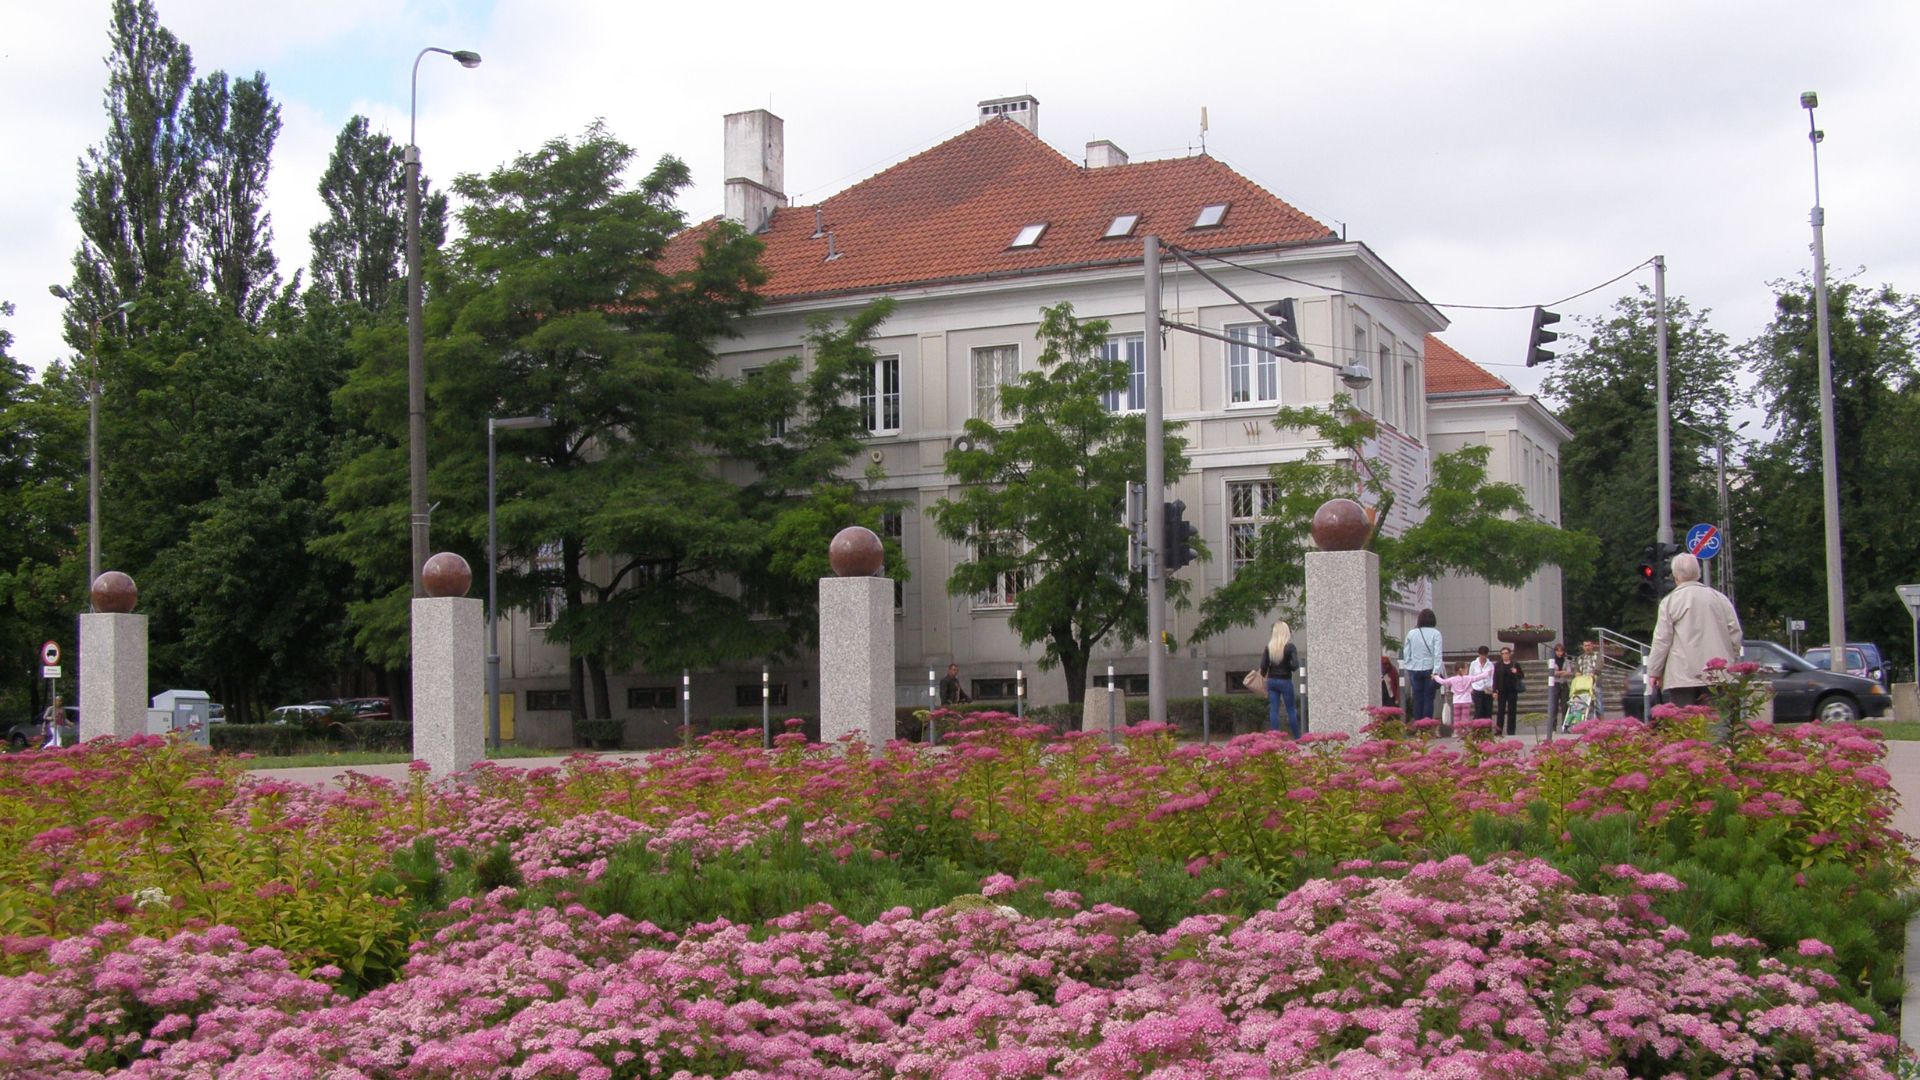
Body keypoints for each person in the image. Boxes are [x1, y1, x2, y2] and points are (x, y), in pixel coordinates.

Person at [1646, 551, 1743, 709]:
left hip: (1682, 675)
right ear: (1698, 573)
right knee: (1716, 722)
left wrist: (1654, 671)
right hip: (1717, 673)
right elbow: (1735, 634)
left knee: (1686, 724)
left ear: (1675, 575)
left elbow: (1662, 640)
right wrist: (1733, 659)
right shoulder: (1720, 599)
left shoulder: (1670, 601)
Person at [1400, 609, 1443, 722]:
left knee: (1417, 698)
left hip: (1414, 669)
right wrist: (1436, 671)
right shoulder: (1436, 633)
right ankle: (1426, 726)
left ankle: (1417, 723)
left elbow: (1406, 652)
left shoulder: (1411, 633)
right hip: (1430, 669)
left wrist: (1409, 666)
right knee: (1429, 698)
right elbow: (1437, 654)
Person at [1263, 621, 1300, 737]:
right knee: (1291, 710)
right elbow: (1295, 665)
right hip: (1285, 681)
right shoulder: (1290, 647)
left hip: (1272, 681)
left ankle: (1275, 738)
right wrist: (1287, 666)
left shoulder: (1269, 647)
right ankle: (1297, 737)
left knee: (1274, 710)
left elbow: (1263, 666)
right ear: (1286, 632)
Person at [1437, 662, 1476, 736]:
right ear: (1464, 669)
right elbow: (1479, 677)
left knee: (1456, 717)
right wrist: (1487, 673)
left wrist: (1435, 676)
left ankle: (1457, 731)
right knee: (1465, 717)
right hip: (1466, 700)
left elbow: (1443, 681)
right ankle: (1464, 731)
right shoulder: (1468, 678)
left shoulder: (1452, 679)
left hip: (1456, 701)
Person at [1492, 646, 1524, 736]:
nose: (1505, 655)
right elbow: (1495, 678)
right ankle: (1499, 730)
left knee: (1512, 711)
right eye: (1503, 654)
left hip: (1512, 690)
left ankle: (1511, 731)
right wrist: (1494, 691)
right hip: (1502, 690)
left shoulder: (1515, 664)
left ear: (1510, 654)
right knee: (1500, 711)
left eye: (1506, 653)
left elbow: (1522, 676)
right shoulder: (1497, 665)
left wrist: (1516, 672)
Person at [1546, 642, 1572, 731]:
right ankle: (1553, 728)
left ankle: (1565, 727)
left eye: (1561, 651)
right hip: (1555, 685)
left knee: (1565, 706)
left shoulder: (1566, 660)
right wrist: (1562, 672)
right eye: (1558, 651)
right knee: (1554, 707)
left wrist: (1560, 673)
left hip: (1564, 684)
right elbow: (1552, 672)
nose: (1559, 653)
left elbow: (1569, 672)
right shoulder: (1551, 660)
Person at [1468, 646, 1495, 720]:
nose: (1483, 657)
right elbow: (1470, 676)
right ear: (1479, 654)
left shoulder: (1490, 664)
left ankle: (1487, 729)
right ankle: (1476, 728)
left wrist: (1493, 689)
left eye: (1485, 655)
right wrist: (1470, 688)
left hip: (1488, 689)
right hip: (1477, 688)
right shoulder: (1473, 664)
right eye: (1482, 655)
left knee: (1488, 710)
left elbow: (1492, 677)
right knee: (1479, 710)